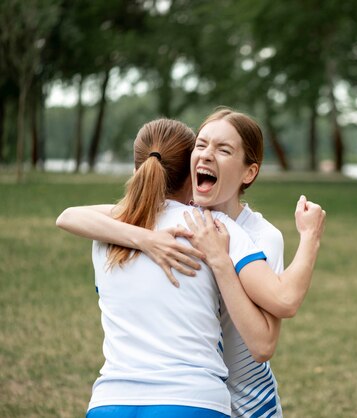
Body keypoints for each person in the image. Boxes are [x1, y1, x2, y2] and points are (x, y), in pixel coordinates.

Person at [57, 108, 326, 417]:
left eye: (224, 149)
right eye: (201, 145)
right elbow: (70, 217)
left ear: (249, 172)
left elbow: (271, 327)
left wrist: (308, 237)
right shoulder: (166, 222)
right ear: (186, 164)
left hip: (245, 404)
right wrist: (144, 238)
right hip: (198, 397)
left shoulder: (258, 235)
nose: (207, 155)